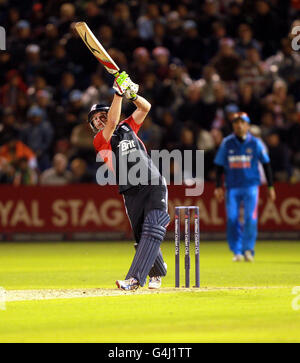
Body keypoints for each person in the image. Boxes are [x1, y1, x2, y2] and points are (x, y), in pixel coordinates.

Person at [90, 71, 169, 291]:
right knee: (142, 235)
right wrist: (118, 93)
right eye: (94, 120)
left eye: (100, 115)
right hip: (130, 190)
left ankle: (134, 279)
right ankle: (158, 272)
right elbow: (113, 122)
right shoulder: (100, 140)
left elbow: (145, 108)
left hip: (152, 181)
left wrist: (131, 94)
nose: (98, 120)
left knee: (154, 226)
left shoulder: (128, 126)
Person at [214, 112, 276, 262]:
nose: (239, 125)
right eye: (236, 122)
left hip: (251, 186)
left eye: (242, 122)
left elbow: (266, 164)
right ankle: (237, 251)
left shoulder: (256, 143)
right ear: (233, 125)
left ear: (248, 125)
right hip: (232, 187)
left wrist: (270, 187)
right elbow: (219, 165)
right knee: (232, 219)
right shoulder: (227, 143)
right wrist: (218, 186)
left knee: (250, 218)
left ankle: (248, 249)